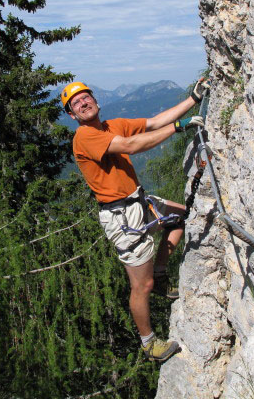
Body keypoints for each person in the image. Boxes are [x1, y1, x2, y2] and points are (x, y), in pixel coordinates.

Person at [61, 78, 209, 362]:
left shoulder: (112, 125)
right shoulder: (85, 137)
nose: (82, 102)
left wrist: (192, 99)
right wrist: (178, 127)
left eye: (85, 96)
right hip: (121, 217)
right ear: (72, 115)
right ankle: (148, 343)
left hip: (137, 201)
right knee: (142, 285)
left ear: (95, 100)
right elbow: (130, 146)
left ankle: (162, 273)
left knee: (179, 217)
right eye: (75, 103)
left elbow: (153, 123)